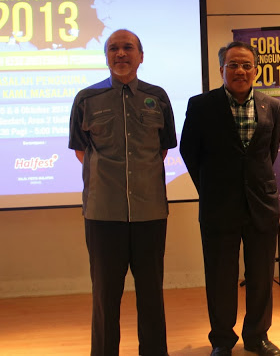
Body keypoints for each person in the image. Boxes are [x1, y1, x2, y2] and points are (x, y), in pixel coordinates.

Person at [69, 29, 176, 356]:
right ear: (106, 57)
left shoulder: (158, 97)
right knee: (105, 296)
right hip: (103, 214)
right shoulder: (86, 99)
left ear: (140, 56)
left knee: (151, 294)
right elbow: (81, 151)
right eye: (113, 48)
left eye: (128, 47)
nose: (120, 53)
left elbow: (162, 149)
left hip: (150, 213)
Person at [180, 41, 280, 356]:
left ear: (256, 70)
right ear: (221, 69)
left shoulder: (271, 106)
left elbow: (269, 153)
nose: (240, 71)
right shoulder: (201, 105)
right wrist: (211, 188)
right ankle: (222, 340)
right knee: (220, 277)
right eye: (233, 65)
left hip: (261, 205)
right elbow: (189, 152)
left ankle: (257, 336)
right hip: (218, 206)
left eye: (247, 65)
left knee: (261, 276)